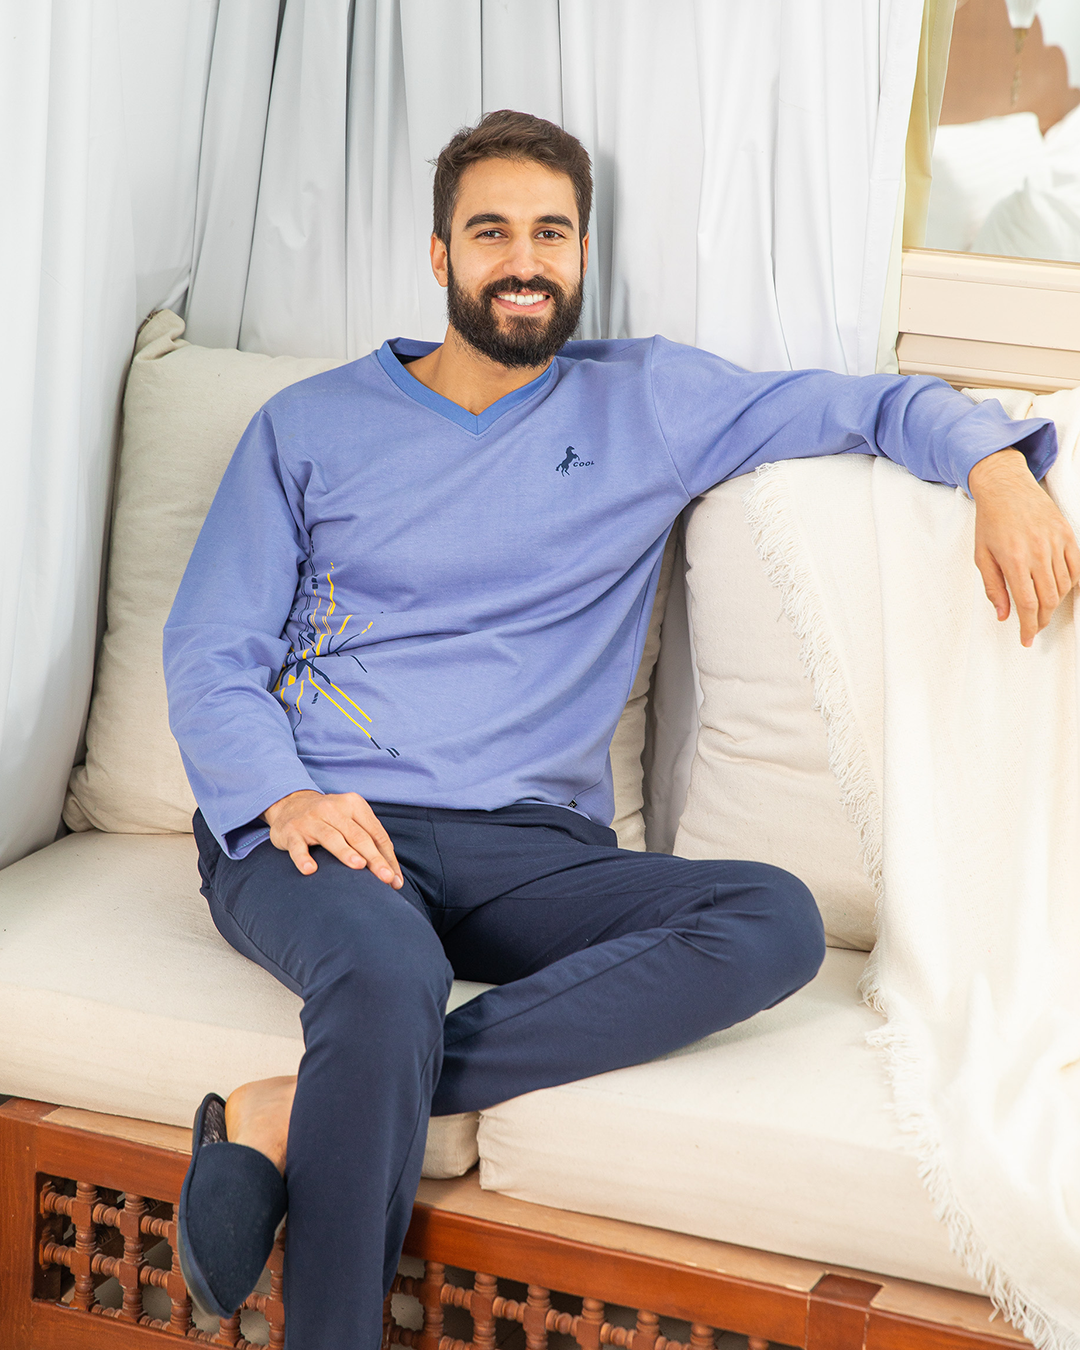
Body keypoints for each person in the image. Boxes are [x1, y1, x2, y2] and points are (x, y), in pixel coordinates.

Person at [163, 109, 1078, 1350]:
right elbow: (210, 649)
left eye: (551, 233)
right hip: (324, 821)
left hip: (531, 850)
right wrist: (285, 796)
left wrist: (997, 470)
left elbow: (869, 404)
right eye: (491, 232)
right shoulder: (308, 425)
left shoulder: (649, 402)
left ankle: (296, 1105)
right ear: (439, 255)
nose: (523, 260)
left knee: (772, 918)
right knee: (384, 980)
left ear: (584, 254)